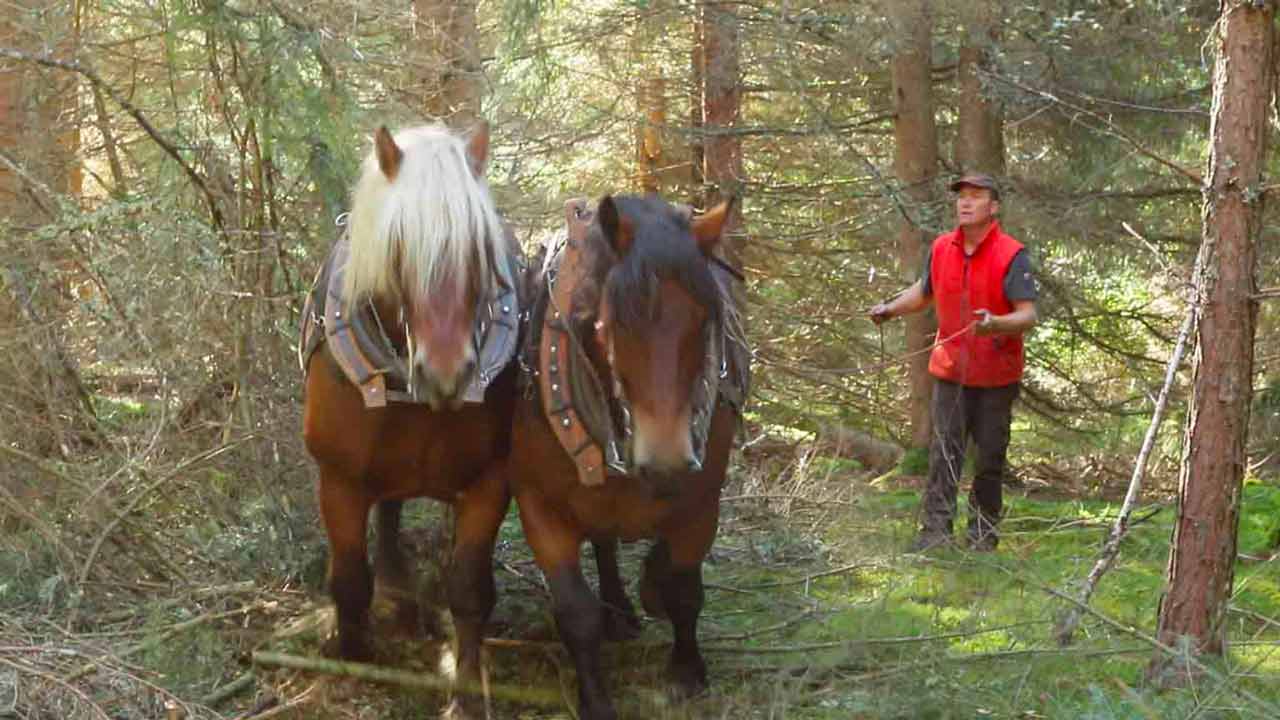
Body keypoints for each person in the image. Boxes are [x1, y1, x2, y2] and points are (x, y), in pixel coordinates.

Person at [869, 173, 1038, 552]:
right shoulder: (943, 247)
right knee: (944, 454)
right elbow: (924, 291)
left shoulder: (1012, 253)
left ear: (993, 207)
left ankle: (982, 537)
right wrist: (889, 309)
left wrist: (996, 324)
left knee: (989, 460)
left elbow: (1027, 315)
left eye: (976, 197)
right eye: (962, 196)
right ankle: (935, 535)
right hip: (949, 371)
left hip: (996, 375)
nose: (965, 203)